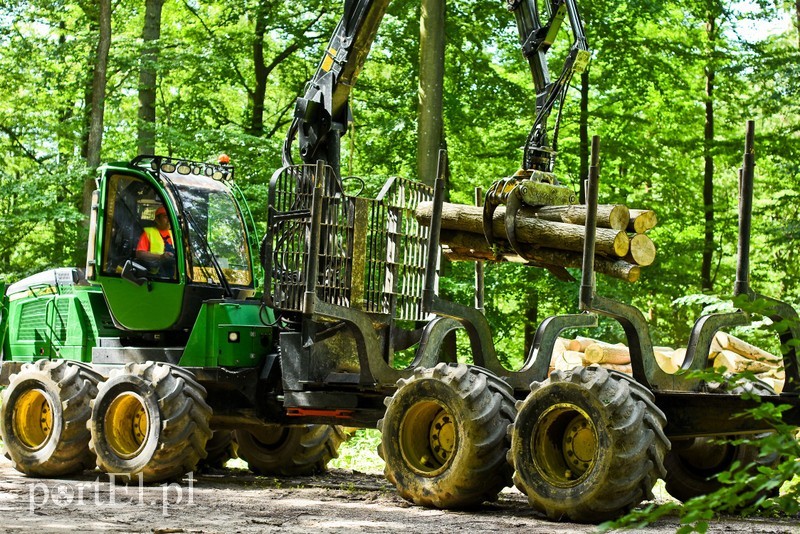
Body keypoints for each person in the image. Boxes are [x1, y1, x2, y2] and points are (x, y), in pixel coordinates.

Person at [136, 205, 176, 278]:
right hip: (155, 276)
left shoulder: (174, 234)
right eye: (165, 216)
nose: (169, 220)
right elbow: (139, 254)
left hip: (172, 276)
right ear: (157, 220)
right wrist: (160, 257)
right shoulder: (148, 233)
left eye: (170, 217)